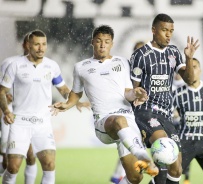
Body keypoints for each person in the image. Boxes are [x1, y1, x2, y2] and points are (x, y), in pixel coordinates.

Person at [49, 25, 159, 184]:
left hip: (128, 123)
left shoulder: (123, 62)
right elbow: (76, 93)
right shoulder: (81, 67)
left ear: (112, 44)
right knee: (119, 120)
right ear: (92, 41)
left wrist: (136, 93)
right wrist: (67, 105)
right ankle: (144, 157)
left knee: (135, 178)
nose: (102, 45)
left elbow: (128, 92)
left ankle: (139, 157)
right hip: (104, 122)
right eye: (99, 41)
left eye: (106, 42)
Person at [0, 29, 89, 184]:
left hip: (42, 123)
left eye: (44, 44)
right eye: (37, 44)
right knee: (13, 167)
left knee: (49, 165)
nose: (41, 48)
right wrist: (6, 110)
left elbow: (63, 89)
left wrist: (74, 101)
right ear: (28, 45)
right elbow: (2, 91)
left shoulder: (51, 66)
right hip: (20, 123)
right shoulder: (15, 65)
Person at [130, 13, 199, 184]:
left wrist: (189, 58)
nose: (169, 34)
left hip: (166, 116)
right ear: (154, 30)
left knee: (177, 170)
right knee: (164, 151)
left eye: (171, 31)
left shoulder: (174, 52)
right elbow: (132, 88)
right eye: (164, 30)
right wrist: (137, 94)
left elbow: (190, 80)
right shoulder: (141, 55)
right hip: (145, 112)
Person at [0, 33, 38, 183]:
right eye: (30, 43)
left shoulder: (42, 66)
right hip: (10, 115)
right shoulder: (9, 63)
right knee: (9, 162)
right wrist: (6, 95)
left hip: (30, 115)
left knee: (31, 155)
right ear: (24, 45)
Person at [110, 40, 145, 184]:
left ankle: (117, 178)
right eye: (137, 51)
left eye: (142, 51)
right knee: (134, 156)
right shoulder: (125, 71)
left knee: (138, 159)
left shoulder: (152, 73)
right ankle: (116, 178)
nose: (140, 55)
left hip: (146, 118)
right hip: (128, 118)